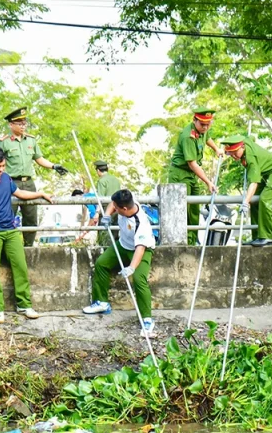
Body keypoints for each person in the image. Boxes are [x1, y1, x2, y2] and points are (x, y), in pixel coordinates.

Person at [0, 147, 53, 324]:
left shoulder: (7, 179)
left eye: (3, 166)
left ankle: (24, 304)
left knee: (21, 266)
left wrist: (40, 193)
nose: (1, 169)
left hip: (11, 230)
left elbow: (20, 193)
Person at [83, 189, 157, 337]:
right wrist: (107, 215)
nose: (114, 208)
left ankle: (147, 320)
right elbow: (113, 202)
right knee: (101, 264)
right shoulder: (128, 200)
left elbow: (140, 249)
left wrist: (131, 268)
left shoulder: (140, 223)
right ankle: (102, 303)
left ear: (124, 209)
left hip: (141, 250)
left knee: (138, 279)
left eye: (116, 208)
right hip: (122, 245)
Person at [0, 107, 69, 247]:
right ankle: (8, 248)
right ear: (11, 125)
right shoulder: (4, 142)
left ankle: (28, 247)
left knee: (31, 218)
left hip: (29, 184)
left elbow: (39, 159)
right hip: (10, 184)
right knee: (7, 217)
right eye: (20, 123)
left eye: (24, 123)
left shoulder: (31, 141)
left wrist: (54, 166)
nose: (23, 126)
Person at [220, 134, 272, 247]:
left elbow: (254, 182)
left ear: (242, 147)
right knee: (254, 200)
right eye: (230, 153)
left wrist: (245, 202)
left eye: (235, 152)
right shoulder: (245, 144)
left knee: (264, 200)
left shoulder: (251, 158)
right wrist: (249, 200)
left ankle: (267, 237)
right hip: (265, 174)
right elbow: (249, 137)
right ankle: (257, 236)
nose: (233, 156)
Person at [166, 108, 223, 245]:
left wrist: (216, 149)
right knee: (182, 211)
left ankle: (192, 242)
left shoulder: (203, 130)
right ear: (194, 120)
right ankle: (182, 242)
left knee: (194, 209)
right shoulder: (188, 136)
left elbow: (207, 137)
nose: (205, 127)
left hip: (192, 175)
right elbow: (192, 164)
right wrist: (208, 182)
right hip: (180, 174)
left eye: (208, 124)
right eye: (202, 124)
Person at [91, 160, 121, 246]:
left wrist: (96, 214)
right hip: (117, 211)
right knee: (115, 235)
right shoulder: (116, 180)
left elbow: (100, 199)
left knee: (104, 236)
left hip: (106, 211)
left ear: (98, 170)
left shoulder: (101, 181)